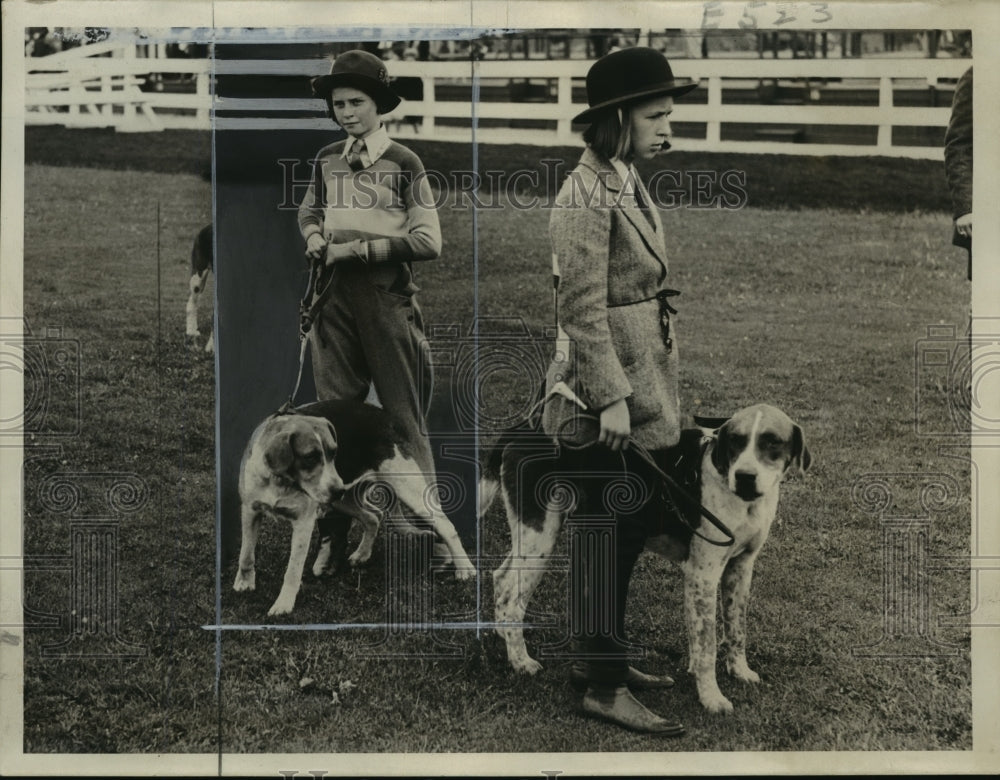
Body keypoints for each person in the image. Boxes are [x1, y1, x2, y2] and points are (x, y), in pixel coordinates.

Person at [540, 47, 698, 734]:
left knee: (626, 526)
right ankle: (600, 684)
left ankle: (599, 658)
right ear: (617, 120)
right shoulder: (584, 192)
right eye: (656, 115)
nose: (668, 127)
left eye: (668, 113)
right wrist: (609, 396)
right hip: (606, 392)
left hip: (641, 372)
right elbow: (578, 306)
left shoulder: (623, 177)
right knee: (609, 528)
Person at [298, 50, 441, 477]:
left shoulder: (404, 161)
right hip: (332, 298)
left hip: (385, 300)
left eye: (356, 102)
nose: (346, 113)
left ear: (379, 104)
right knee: (335, 417)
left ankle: (424, 530)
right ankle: (336, 533)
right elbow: (308, 212)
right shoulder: (326, 157)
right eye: (339, 104)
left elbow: (428, 241)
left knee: (403, 417)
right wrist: (314, 237)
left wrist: (355, 249)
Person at [944, 65, 972, 280]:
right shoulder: (977, 77)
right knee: (989, 301)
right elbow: (959, 146)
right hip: (991, 208)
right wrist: (966, 208)